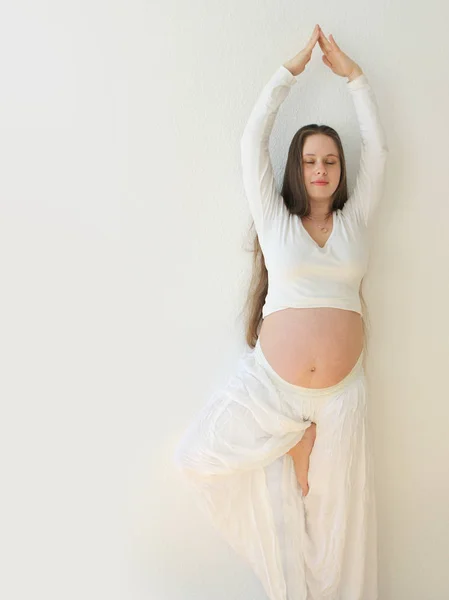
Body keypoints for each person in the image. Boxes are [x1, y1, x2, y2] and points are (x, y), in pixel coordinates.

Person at [174, 23, 388, 600]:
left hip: (342, 397)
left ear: (342, 172)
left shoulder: (354, 222)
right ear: (297, 168)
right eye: (311, 160)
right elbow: (251, 143)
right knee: (197, 454)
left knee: (342, 541)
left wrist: (355, 78)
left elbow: (381, 149)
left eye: (332, 162)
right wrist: (287, 74)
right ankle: (290, 436)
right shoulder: (276, 222)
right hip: (277, 393)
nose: (321, 170)